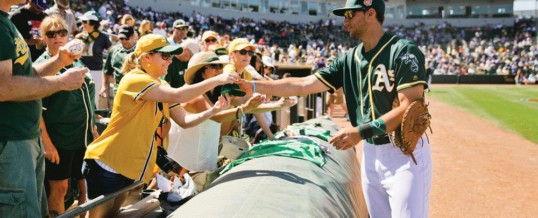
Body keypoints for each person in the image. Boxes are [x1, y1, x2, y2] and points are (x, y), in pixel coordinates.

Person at [238, 0, 432, 217]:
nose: (345, 20)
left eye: (350, 14)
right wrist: (253, 85)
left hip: (403, 152)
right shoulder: (349, 59)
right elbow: (304, 84)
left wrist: (360, 131)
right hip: (370, 152)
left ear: (370, 13)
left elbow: (408, 107)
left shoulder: (404, 51)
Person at [83, 34, 239, 217]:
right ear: (146, 57)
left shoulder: (161, 84)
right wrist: (219, 79)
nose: (170, 61)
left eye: (171, 56)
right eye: (164, 56)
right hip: (108, 163)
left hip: (128, 166)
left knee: (112, 215)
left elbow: (185, 121)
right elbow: (178, 96)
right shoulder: (135, 79)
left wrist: (213, 111)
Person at [0, 0, 87, 216]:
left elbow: (23, 75)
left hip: (24, 138)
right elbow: (2, 87)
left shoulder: (5, 22)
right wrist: (60, 82)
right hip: (11, 140)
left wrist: (59, 61)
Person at [34, 15, 97, 217]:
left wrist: (93, 129)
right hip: (59, 139)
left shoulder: (74, 60)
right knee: (59, 188)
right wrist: (47, 143)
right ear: (44, 38)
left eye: (62, 32)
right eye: (51, 34)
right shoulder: (40, 67)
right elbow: (35, 110)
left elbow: (87, 102)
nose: (58, 37)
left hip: (82, 136)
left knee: (84, 184)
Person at [76, 10, 112, 109]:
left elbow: (112, 52)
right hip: (80, 70)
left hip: (96, 71)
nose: (82, 24)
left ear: (92, 23)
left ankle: (93, 121)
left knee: (94, 98)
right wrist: (77, 40)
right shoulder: (81, 36)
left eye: (84, 22)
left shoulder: (102, 37)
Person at [101, 25, 136, 101]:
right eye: (121, 38)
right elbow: (107, 71)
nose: (124, 41)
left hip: (137, 93)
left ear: (133, 36)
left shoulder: (141, 50)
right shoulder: (114, 51)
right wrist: (104, 86)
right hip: (119, 92)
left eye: (126, 38)